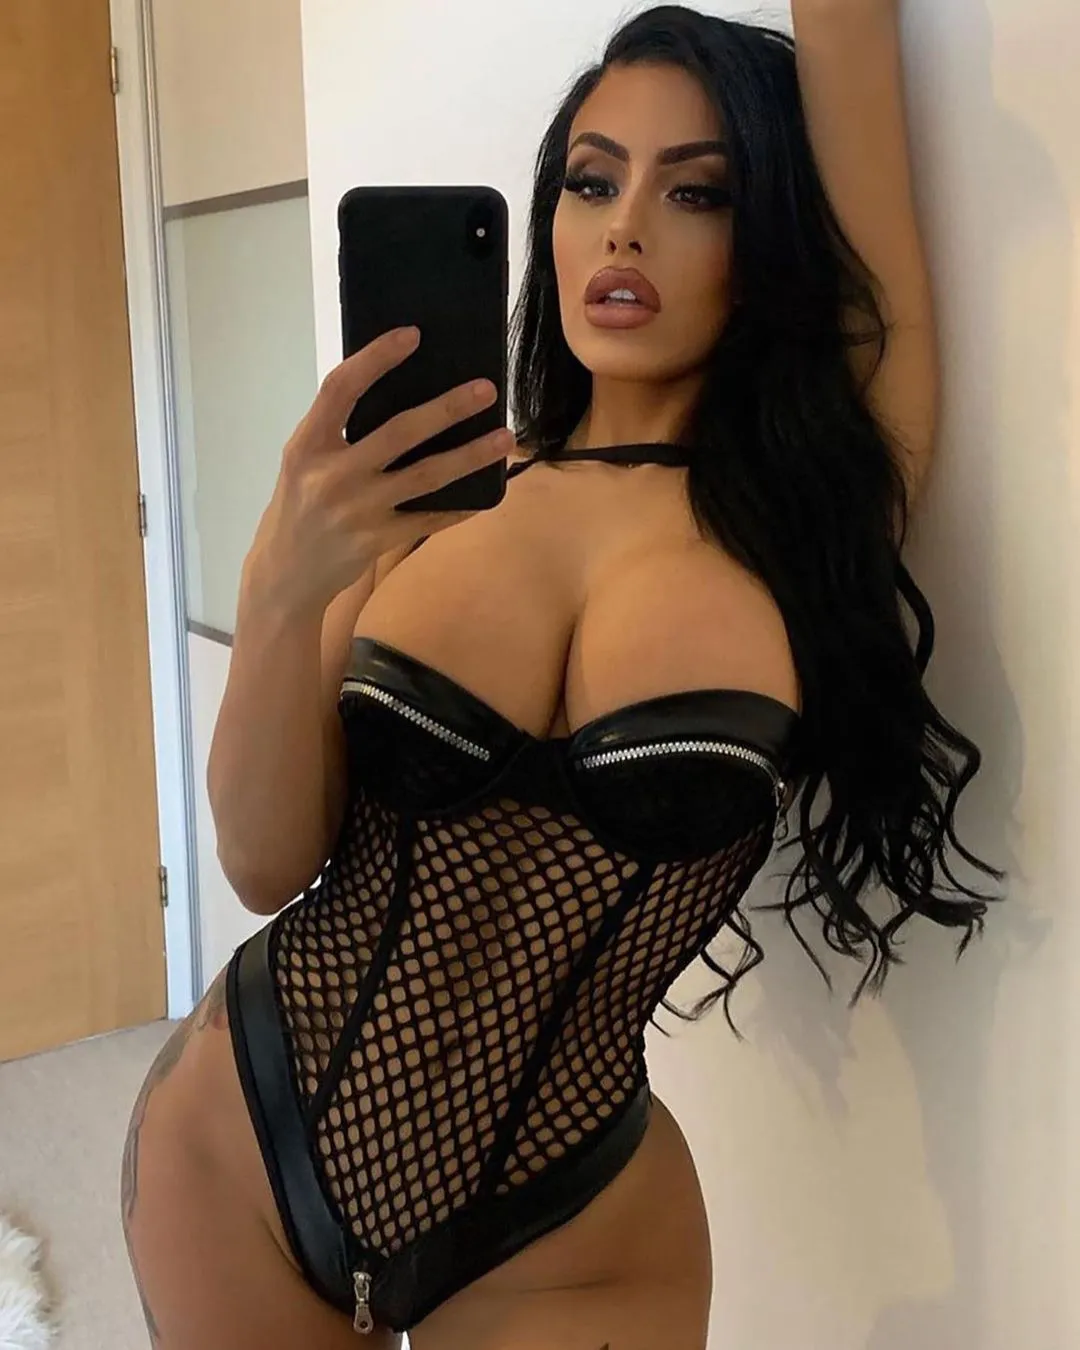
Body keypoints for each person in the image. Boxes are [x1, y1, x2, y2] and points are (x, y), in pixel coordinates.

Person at [120, 6, 1003, 1348]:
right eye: (593, 181)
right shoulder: (433, 491)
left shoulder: (821, 510)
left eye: (696, 192)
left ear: (767, 243)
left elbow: (851, 40)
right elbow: (260, 861)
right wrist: (279, 589)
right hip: (239, 1149)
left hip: (573, 1235)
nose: (625, 227)